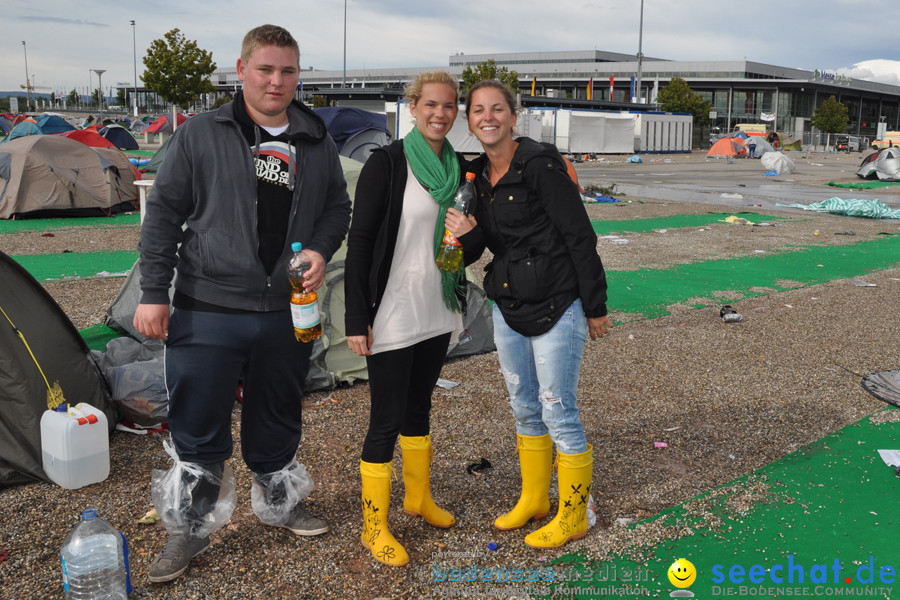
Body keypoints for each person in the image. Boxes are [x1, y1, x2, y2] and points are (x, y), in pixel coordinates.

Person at [134, 24, 351, 583]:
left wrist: (324, 249)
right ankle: (189, 527)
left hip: (286, 312)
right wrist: (155, 293)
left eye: (288, 71)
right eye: (266, 69)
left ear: (298, 75)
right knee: (198, 422)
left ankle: (279, 505)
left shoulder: (315, 138)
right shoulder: (202, 134)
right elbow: (162, 216)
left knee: (277, 413)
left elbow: (335, 208)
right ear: (242, 70)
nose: (277, 81)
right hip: (208, 309)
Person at [445, 79, 612, 550]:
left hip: (559, 304)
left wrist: (594, 306)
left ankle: (574, 513)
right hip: (508, 304)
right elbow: (490, 248)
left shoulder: (539, 164)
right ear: (470, 120)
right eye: (478, 110)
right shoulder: (476, 177)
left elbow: (581, 235)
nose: (488, 117)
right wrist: (466, 231)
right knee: (524, 406)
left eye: (497, 109)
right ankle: (536, 499)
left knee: (558, 409)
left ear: (513, 117)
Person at [344, 71, 468, 566]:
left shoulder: (457, 168)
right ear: (412, 107)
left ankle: (418, 499)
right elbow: (360, 243)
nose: (441, 114)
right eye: (431, 105)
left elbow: (462, 241)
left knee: (419, 409)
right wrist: (357, 317)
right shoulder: (388, 163)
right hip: (392, 309)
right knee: (385, 419)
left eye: (449, 106)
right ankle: (374, 527)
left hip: (437, 304)